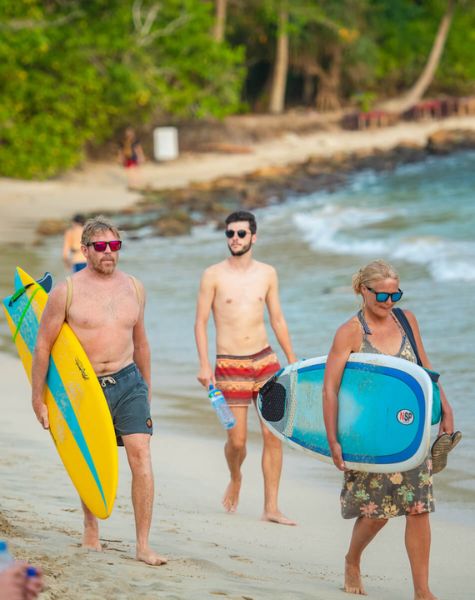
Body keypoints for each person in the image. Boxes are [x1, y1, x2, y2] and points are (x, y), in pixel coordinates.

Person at [31, 216, 166, 566]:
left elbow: (142, 344)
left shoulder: (135, 288)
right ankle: (91, 529)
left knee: (142, 457)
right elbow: (43, 346)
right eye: (102, 247)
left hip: (128, 380)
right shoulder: (66, 291)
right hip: (85, 388)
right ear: (86, 250)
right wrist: (39, 398)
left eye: (115, 246)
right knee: (90, 460)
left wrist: (147, 389)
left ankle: (143, 545)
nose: (109, 253)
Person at [322, 259, 455, 599]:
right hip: (369, 435)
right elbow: (330, 388)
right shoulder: (349, 332)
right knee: (375, 512)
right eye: (381, 296)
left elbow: (426, 372)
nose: (389, 302)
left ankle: (422, 591)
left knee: (418, 507)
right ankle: (352, 559)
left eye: (395, 294)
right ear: (361, 290)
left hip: (410, 433)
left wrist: (446, 408)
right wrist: (333, 439)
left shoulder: (406, 320)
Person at [194, 210, 297, 525]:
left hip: (266, 361)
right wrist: (203, 365)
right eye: (230, 234)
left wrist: (291, 359)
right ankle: (236, 475)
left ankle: (271, 507)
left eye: (241, 233)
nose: (235, 239)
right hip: (230, 365)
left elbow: (276, 318)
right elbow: (200, 322)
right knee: (237, 441)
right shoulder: (213, 274)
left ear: (254, 236)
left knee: (272, 435)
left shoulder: (267, 273)